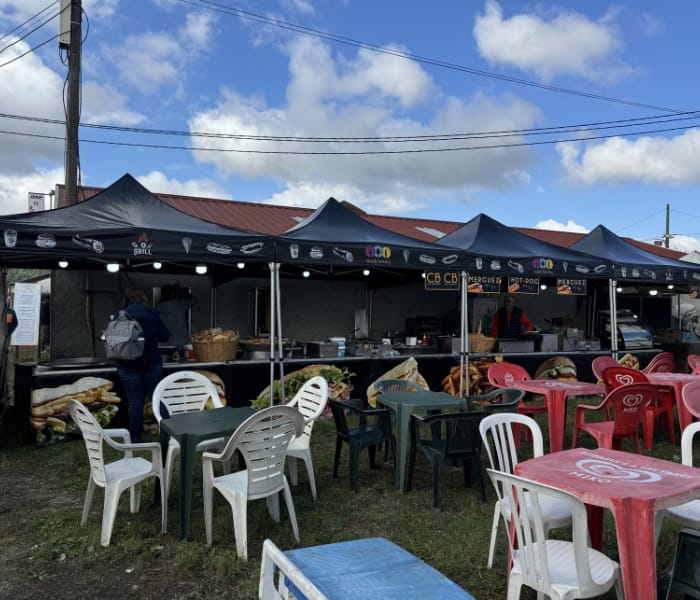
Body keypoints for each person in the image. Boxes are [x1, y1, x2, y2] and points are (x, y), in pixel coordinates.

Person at [116, 287, 170, 442]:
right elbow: (165, 336)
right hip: (151, 362)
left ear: (127, 299)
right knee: (157, 398)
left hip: (127, 364)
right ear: (143, 298)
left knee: (134, 401)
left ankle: (135, 438)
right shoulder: (152, 313)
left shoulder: (121, 315)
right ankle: (170, 433)